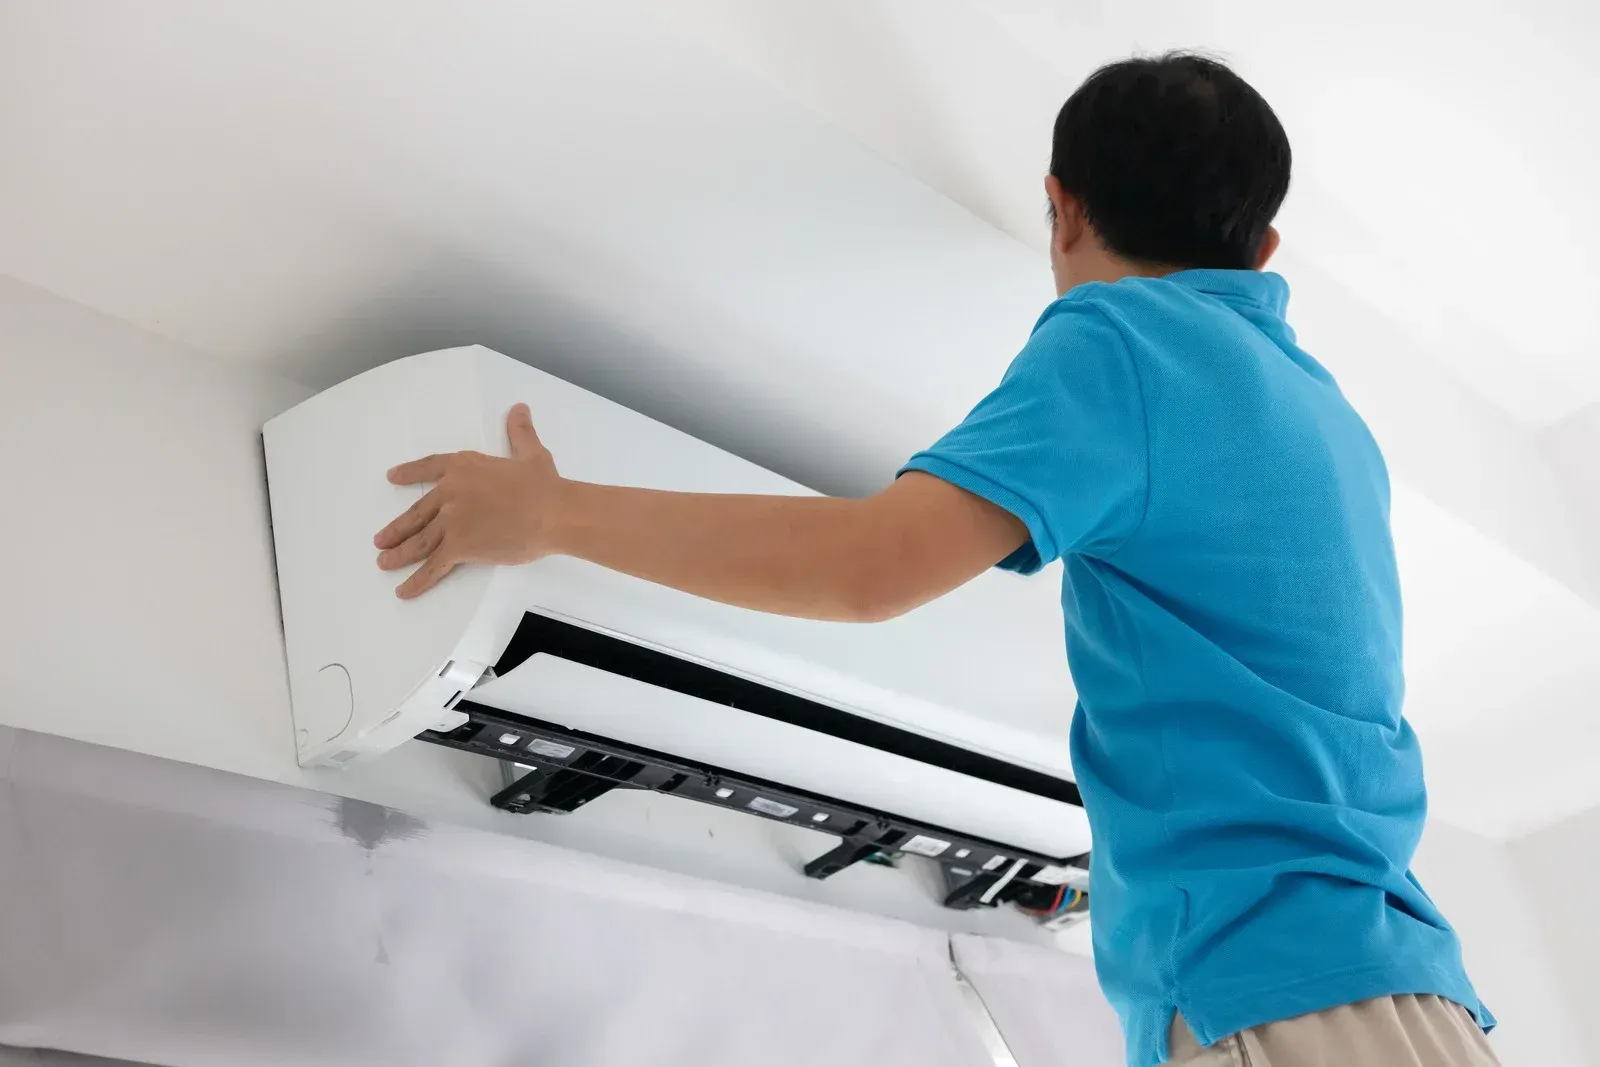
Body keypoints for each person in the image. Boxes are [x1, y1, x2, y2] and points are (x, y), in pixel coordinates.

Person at [373, 53, 1498, 1067]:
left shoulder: (1125, 339)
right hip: (1415, 997)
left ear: (1061, 209)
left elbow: (874, 564)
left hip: (1275, 994)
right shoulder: (1329, 416)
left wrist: (552, 513)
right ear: (1261, 250)